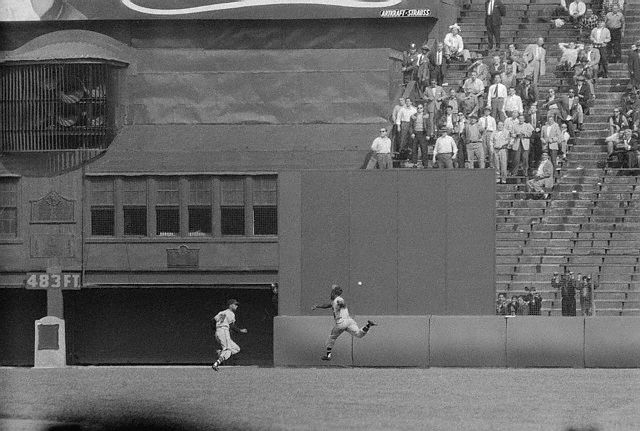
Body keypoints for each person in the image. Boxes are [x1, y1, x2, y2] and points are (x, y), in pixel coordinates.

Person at [312, 284, 377, 361]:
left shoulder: (339, 299)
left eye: (332, 293)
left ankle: (328, 355)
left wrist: (339, 302)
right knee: (359, 334)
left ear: (334, 293)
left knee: (331, 337)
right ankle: (368, 325)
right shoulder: (334, 301)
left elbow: (340, 302)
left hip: (341, 322)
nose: (331, 294)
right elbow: (327, 305)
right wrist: (318, 306)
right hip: (349, 321)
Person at [211, 299, 247, 371]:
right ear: (230, 305)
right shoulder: (231, 313)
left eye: (237, 305)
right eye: (235, 304)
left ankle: (221, 353)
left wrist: (216, 331)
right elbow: (232, 326)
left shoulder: (221, 312)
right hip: (224, 330)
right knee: (228, 349)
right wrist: (240, 330)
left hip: (219, 331)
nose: (236, 306)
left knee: (236, 348)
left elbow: (212, 321)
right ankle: (216, 363)